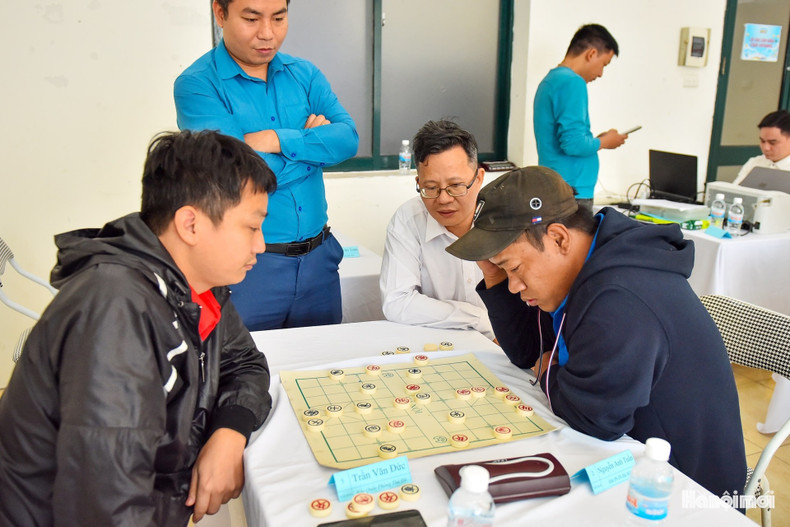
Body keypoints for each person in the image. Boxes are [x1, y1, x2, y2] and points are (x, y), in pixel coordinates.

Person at [0, 130, 276, 526]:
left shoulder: (193, 286)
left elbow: (245, 363)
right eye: (252, 227)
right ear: (190, 225)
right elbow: (106, 505)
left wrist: (230, 432)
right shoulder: (115, 309)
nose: (261, 246)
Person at [446, 166, 747, 498]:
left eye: (514, 268)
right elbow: (527, 353)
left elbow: (594, 419)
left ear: (559, 237)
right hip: (630, 453)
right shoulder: (582, 264)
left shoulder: (621, 296)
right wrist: (495, 272)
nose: (514, 286)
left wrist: (550, 371)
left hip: (683, 490)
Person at [174, 0, 359, 331]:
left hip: (319, 262)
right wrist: (312, 146)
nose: (267, 33)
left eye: (279, 18)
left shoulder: (304, 74)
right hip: (247, 270)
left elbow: (347, 140)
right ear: (220, 13)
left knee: (323, 374)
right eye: (251, 18)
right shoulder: (198, 85)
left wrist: (277, 140)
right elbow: (235, 175)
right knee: (244, 377)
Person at [380, 120, 493, 339]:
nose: (443, 199)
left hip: (509, 343)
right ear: (418, 181)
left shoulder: (506, 215)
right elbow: (396, 302)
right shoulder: (408, 220)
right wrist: (478, 320)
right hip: (437, 342)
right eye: (430, 188)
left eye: (456, 186)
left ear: (478, 178)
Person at [533, 24, 628, 209]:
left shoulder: (550, 80)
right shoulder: (572, 82)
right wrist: (605, 142)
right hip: (572, 192)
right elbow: (573, 144)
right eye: (604, 64)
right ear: (591, 54)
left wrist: (599, 140)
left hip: (556, 187)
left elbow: (568, 137)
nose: (600, 73)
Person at [733, 109, 790, 184]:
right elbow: (735, 191)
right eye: (762, 141)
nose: (766, 148)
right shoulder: (755, 163)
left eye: (772, 143)